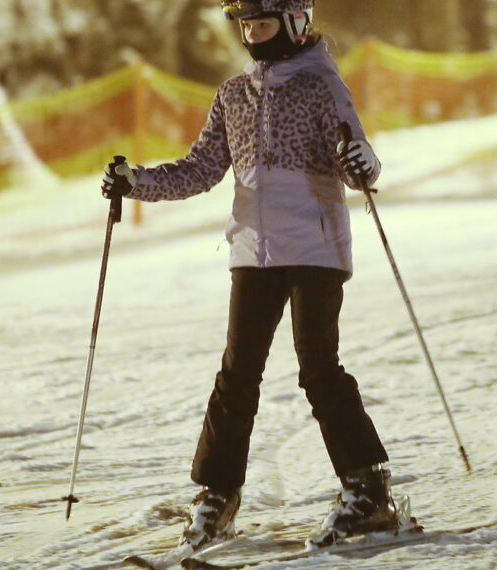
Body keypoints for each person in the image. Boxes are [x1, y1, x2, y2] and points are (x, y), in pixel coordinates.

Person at [102, 0, 402, 549]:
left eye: (262, 24)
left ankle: (368, 491)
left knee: (318, 368)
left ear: (295, 23)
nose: (252, 35)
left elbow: (357, 157)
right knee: (238, 374)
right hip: (253, 252)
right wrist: (135, 182)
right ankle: (218, 493)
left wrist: (361, 163)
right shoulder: (233, 95)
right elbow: (200, 168)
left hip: (314, 246)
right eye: (245, 25)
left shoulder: (320, 86)